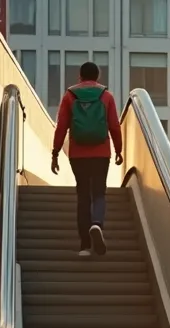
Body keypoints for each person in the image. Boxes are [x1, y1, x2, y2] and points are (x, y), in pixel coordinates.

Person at [50, 61, 123, 258]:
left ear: (80, 76)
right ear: (97, 77)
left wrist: (55, 153)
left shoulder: (69, 96)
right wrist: (119, 150)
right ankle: (97, 224)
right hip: (101, 152)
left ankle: (84, 246)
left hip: (78, 153)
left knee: (83, 196)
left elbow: (61, 127)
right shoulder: (106, 96)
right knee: (99, 192)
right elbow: (114, 126)